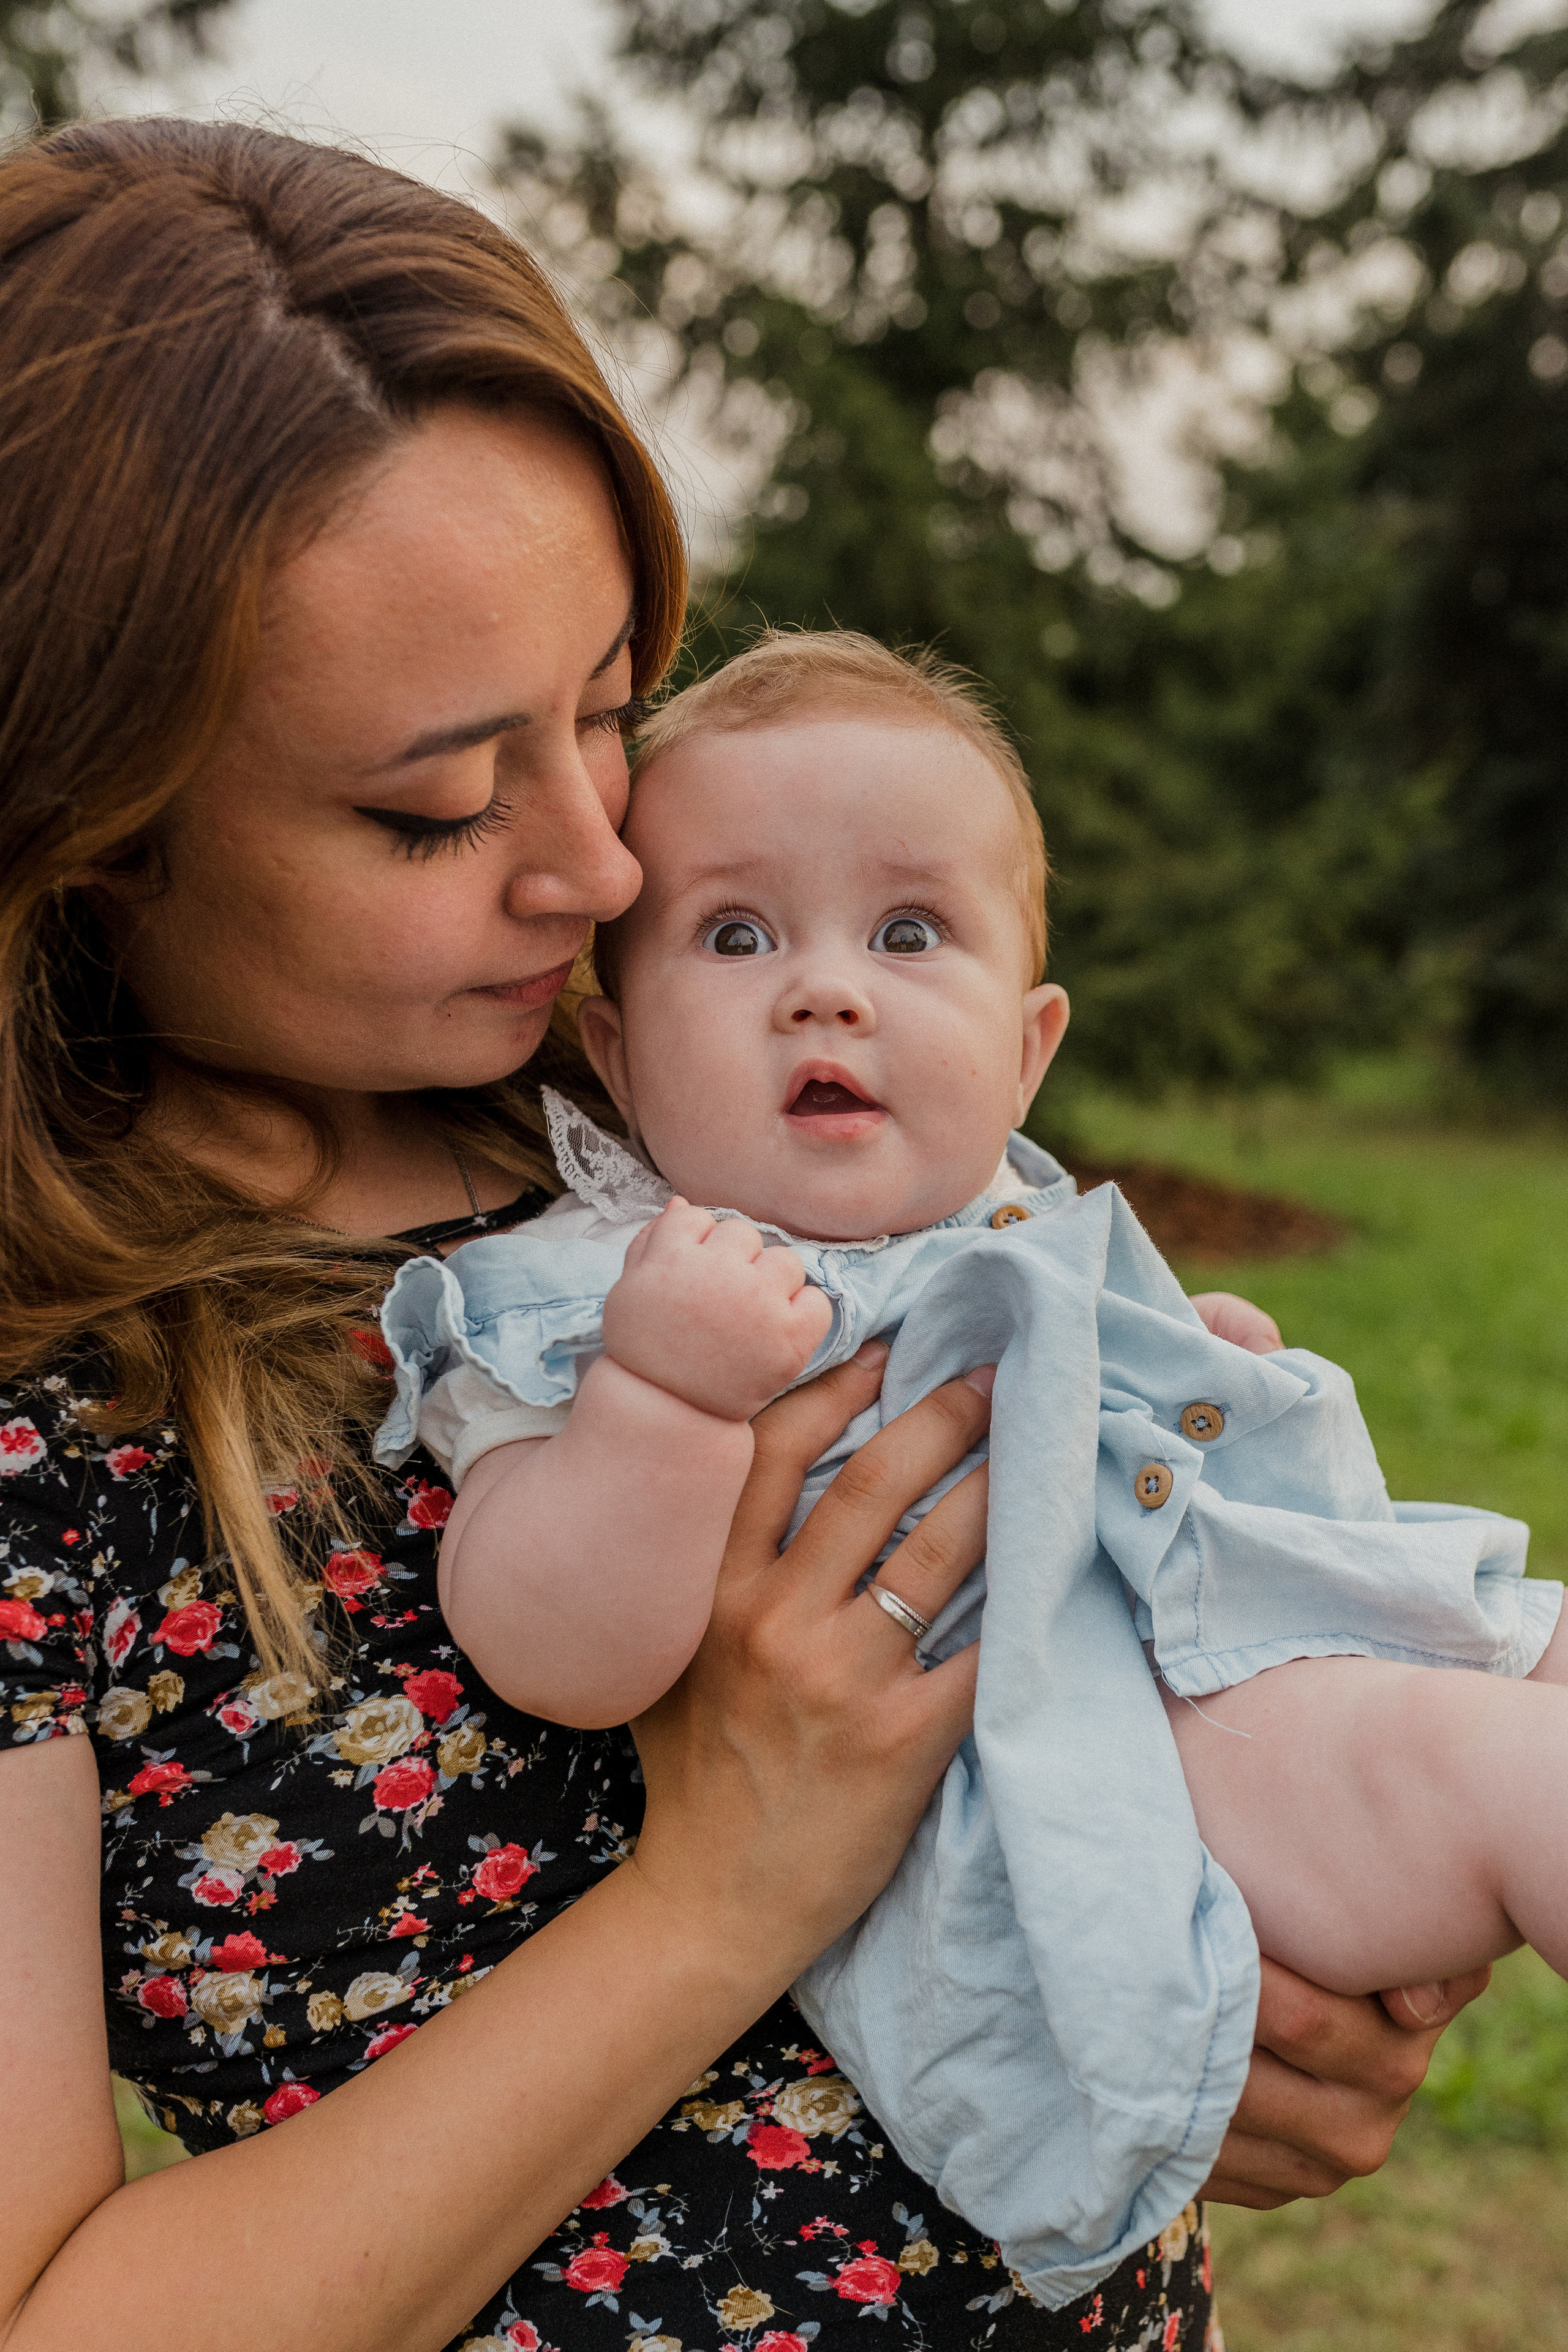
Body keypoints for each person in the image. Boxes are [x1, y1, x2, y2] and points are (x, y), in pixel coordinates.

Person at [0, 119, 1485, 2352]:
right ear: (82, 827)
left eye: (611, 714)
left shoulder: (686, 1110)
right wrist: (721, 1897)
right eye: (434, 804)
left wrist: (1231, 1972)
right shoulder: (53, 1410)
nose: (603, 868)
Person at [377, 627, 1568, 2304]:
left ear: (1026, 1049)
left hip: (1213, 1664)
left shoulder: (1025, 1229)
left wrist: (1190, 1365)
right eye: (735, 934)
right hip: (1090, 1782)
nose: (828, 985)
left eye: (910, 931)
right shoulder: (578, 1297)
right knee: (1520, 1782)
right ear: (622, 1053)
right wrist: (659, 1402)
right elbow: (551, 1650)